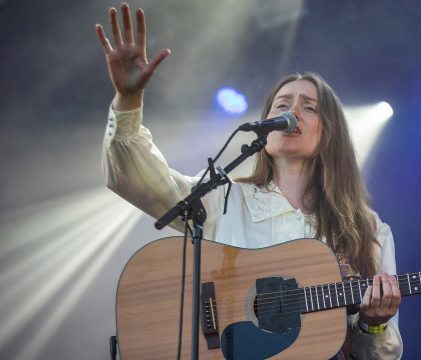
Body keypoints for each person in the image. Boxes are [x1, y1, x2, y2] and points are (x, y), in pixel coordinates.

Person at [96, 3, 402, 359]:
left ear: (330, 134)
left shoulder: (368, 231)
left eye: (308, 106)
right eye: (281, 104)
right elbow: (133, 179)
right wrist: (128, 100)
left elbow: (380, 355)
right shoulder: (224, 197)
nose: (290, 112)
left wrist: (373, 323)